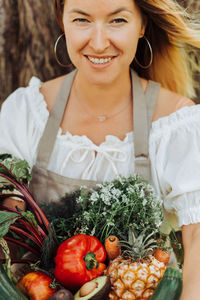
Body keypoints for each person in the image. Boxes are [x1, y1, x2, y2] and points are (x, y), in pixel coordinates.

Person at [0, 0, 200, 298]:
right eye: (82, 20)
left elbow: (197, 241)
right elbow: (7, 233)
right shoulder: (26, 113)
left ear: (142, 24)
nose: (98, 42)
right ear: (62, 21)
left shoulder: (175, 124)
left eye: (117, 21)